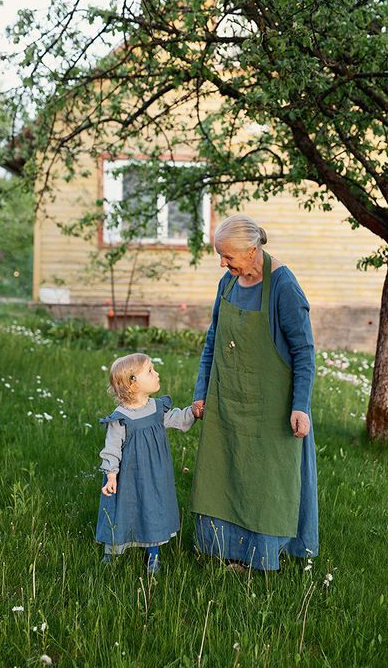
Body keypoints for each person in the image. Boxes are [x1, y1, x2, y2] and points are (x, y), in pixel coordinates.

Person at [191, 214, 318, 570]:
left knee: (266, 481)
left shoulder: (284, 286)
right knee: (225, 471)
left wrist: (300, 406)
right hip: (228, 397)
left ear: (252, 250)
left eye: (228, 256)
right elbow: (213, 340)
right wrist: (202, 391)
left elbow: (304, 353)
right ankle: (222, 549)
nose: (222, 263)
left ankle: (261, 557)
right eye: (220, 256)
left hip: (273, 406)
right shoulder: (228, 283)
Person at [96, 352, 200, 572]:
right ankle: (113, 552)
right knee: (123, 510)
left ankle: (153, 555)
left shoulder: (156, 408)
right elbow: (112, 449)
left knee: (153, 508)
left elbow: (177, 419)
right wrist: (111, 474)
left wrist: (193, 412)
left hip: (155, 475)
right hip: (128, 477)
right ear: (133, 383)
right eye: (150, 371)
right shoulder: (121, 418)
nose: (157, 373)